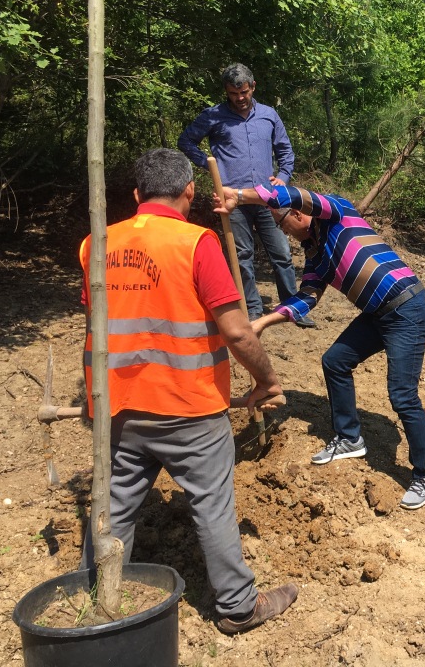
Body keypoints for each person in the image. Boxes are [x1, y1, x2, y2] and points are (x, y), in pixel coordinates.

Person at [79, 148, 298, 634]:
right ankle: (239, 607)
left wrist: (93, 401)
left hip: (119, 408)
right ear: (189, 192)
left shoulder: (95, 243)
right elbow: (238, 332)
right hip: (190, 408)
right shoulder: (197, 244)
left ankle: (95, 596)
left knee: (112, 507)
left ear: (136, 195)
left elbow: (98, 326)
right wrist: (267, 380)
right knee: (213, 504)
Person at [216, 182, 425, 510]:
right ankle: (350, 437)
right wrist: (263, 322)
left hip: (408, 308)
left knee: (402, 395)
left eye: (283, 225)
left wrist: (241, 196)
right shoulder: (315, 255)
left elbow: (295, 195)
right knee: (335, 361)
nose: (286, 234)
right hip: (378, 314)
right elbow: (307, 297)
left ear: (297, 215)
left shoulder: (338, 213)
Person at [178, 62, 314, 326]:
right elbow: (186, 141)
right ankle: (252, 308)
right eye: (233, 94)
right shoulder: (212, 116)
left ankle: (292, 308)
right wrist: (209, 164)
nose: (240, 98)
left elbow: (286, 151)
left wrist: (283, 177)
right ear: (226, 92)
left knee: (282, 253)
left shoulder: (269, 114)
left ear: (253, 87)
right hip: (231, 198)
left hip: (267, 197)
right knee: (242, 254)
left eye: (244, 92)